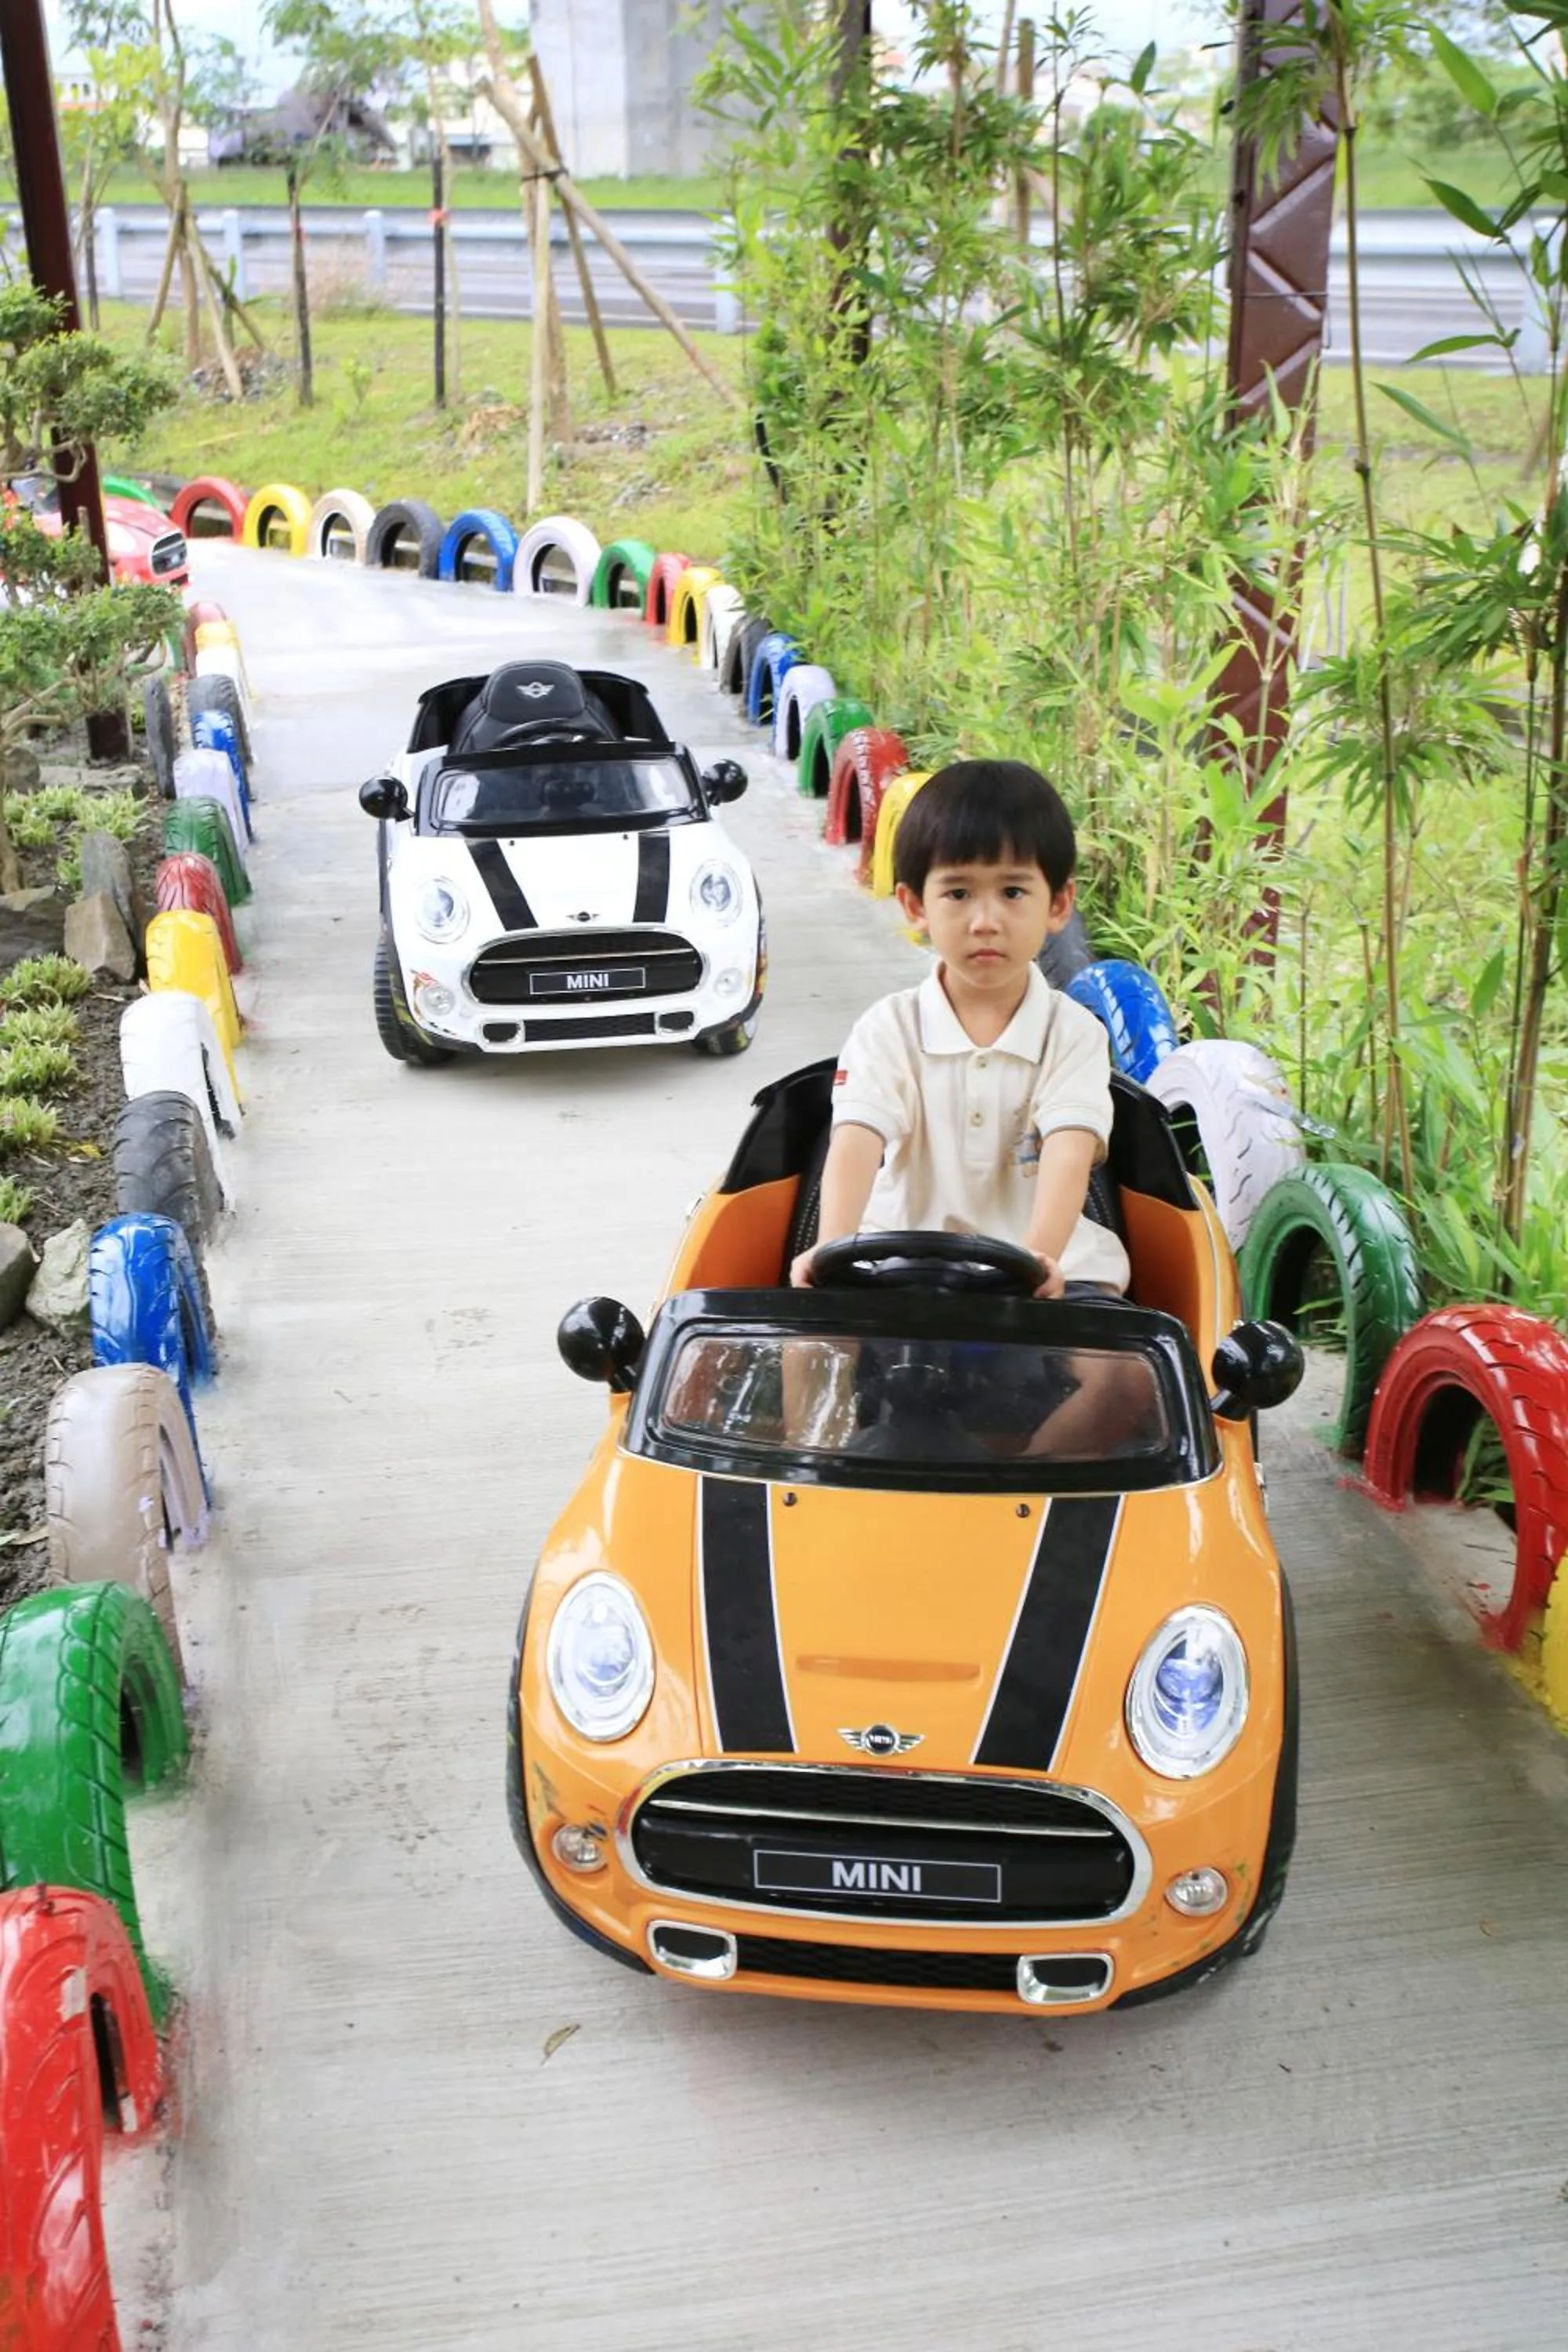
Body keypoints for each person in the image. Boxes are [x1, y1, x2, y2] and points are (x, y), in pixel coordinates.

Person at [790, 758, 1129, 1301]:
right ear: (915, 906)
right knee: (819, 1338)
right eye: (958, 893)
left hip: (1055, 1272)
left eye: (1012, 892)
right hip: (902, 1264)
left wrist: (1037, 1263)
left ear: (1058, 904)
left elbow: (1069, 1152)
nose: (985, 922)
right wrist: (831, 1248)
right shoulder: (888, 1029)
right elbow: (855, 1142)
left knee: (1102, 1345)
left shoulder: (1073, 1034)